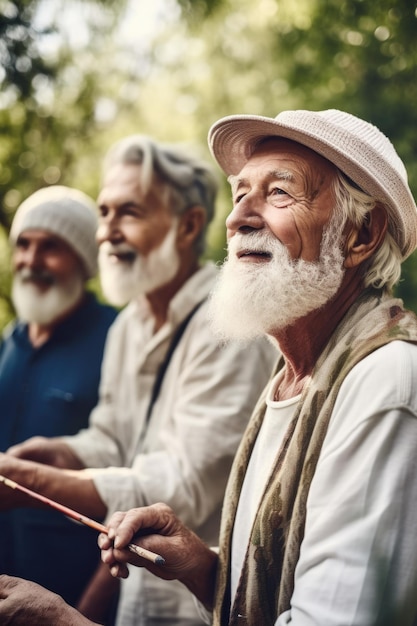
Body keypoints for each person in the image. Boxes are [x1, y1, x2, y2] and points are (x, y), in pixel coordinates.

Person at [2, 108, 416, 626]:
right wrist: (202, 567)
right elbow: (272, 593)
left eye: (279, 193)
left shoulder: (385, 382)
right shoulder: (292, 374)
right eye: (241, 193)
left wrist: (62, 621)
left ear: (362, 233)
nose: (240, 216)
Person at [0, 136, 277, 625]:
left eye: (128, 213)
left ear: (188, 224)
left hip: (197, 607)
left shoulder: (229, 327)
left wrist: (33, 483)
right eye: (104, 213)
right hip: (134, 601)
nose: (107, 231)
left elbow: (184, 484)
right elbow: (112, 436)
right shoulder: (129, 324)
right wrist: (63, 453)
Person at [0, 185, 117, 606]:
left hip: (72, 596)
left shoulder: (117, 339)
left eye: (51, 247)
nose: (31, 260)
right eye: (24, 245)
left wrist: (86, 613)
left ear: (84, 260)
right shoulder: (8, 343)